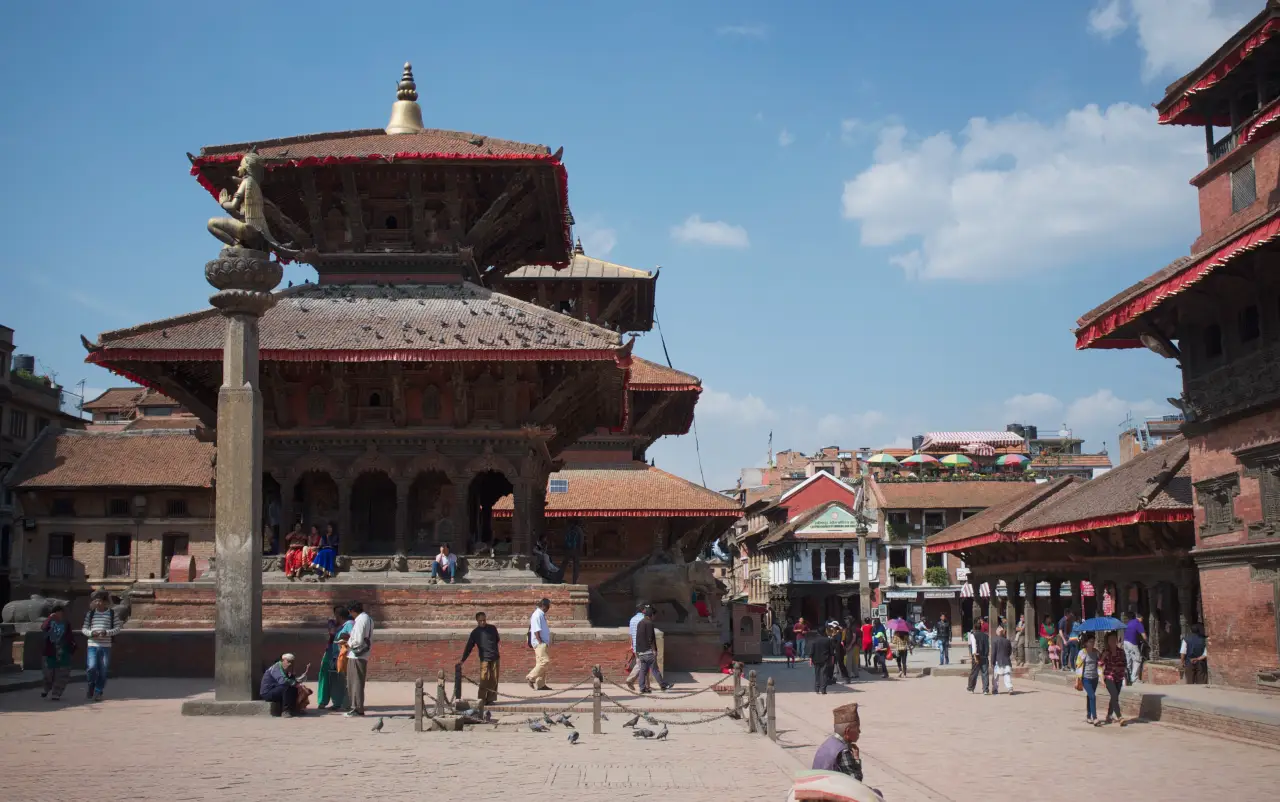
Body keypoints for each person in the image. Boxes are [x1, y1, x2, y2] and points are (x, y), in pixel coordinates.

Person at [82, 589, 121, 702]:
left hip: (105, 646)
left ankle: (98, 691)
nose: (97, 603)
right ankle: (91, 684)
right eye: (95, 601)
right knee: (91, 667)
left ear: (105, 602)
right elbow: (84, 629)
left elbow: (118, 629)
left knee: (103, 670)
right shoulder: (90, 614)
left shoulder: (112, 614)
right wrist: (91, 633)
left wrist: (107, 632)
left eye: (99, 601)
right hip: (92, 645)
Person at [811, 702, 864, 782]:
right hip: (829, 791)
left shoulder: (829, 742)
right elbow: (856, 781)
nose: (859, 731)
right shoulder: (843, 751)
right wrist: (856, 759)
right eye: (857, 728)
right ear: (847, 731)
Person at [460, 611, 501, 704]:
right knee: (484, 680)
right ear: (477, 621)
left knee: (494, 679)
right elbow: (469, 647)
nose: (483, 622)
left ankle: (490, 699)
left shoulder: (492, 628)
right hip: (484, 659)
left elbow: (497, 640)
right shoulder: (475, 632)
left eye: (484, 620)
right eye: (480, 621)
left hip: (495, 657)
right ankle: (481, 699)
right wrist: (463, 660)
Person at [317, 605, 350, 711]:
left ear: (339, 615)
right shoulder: (334, 623)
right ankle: (322, 701)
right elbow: (332, 632)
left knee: (338, 678)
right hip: (330, 652)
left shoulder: (348, 624)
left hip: (340, 655)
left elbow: (348, 636)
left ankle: (338, 703)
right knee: (324, 675)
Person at [40, 604, 75, 701]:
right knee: (48, 673)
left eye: (61, 612)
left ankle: (56, 693)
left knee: (62, 674)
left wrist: (71, 647)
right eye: (57, 612)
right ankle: (47, 688)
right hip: (50, 651)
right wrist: (49, 618)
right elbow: (43, 628)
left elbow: (70, 636)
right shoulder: (49, 622)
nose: (59, 614)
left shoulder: (66, 623)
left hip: (63, 651)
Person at [344, 601, 373, 717]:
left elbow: (358, 640)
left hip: (356, 655)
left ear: (352, 611)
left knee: (355, 683)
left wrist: (348, 643)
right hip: (362, 654)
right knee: (357, 682)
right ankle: (357, 707)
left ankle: (356, 708)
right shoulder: (368, 619)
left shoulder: (361, 620)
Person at [260, 653, 311, 717]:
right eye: (288, 661)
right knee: (286, 687)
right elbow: (283, 681)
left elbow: (291, 680)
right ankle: (285, 711)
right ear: (283, 660)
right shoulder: (276, 668)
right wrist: (296, 683)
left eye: (292, 662)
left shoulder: (286, 669)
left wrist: (297, 681)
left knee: (294, 688)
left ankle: (293, 709)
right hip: (268, 692)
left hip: (277, 689)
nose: (290, 664)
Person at [634, 605, 670, 693]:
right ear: (651, 615)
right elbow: (651, 638)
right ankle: (663, 685)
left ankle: (642, 687)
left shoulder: (640, 623)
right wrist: (654, 650)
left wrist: (638, 651)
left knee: (643, 670)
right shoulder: (649, 623)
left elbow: (638, 638)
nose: (655, 617)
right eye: (654, 615)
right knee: (654, 669)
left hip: (641, 651)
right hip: (648, 651)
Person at [1100, 631, 1127, 725]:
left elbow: (1124, 664)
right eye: (1110, 640)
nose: (1112, 641)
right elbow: (1100, 664)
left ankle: (1109, 715)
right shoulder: (1106, 652)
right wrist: (1103, 657)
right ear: (1107, 641)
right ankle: (1120, 717)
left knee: (1114, 697)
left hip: (1119, 677)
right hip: (1109, 677)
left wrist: (1118, 668)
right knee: (1114, 695)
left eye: (1114, 639)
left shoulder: (1121, 651)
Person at [526, 598, 552, 690]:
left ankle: (540, 684)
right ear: (544, 606)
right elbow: (536, 630)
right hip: (539, 643)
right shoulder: (537, 615)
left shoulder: (541, 614)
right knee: (545, 661)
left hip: (542, 642)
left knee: (540, 663)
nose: (548, 608)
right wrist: (540, 642)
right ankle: (531, 677)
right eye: (548, 606)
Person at [1076, 632, 1101, 725]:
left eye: (1093, 641)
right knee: (1093, 696)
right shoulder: (1082, 652)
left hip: (1094, 678)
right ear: (1086, 642)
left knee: (1090, 696)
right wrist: (1078, 679)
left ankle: (1088, 715)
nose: (1092, 643)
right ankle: (1095, 717)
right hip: (1086, 678)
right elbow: (1078, 666)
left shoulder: (1096, 652)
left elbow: (1100, 663)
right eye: (1090, 641)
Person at [1122, 609, 1147, 685]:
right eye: (1142, 619)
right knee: (1137, 659)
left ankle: (1127, 678)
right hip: (1132, 643)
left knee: (1128, 660)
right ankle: (1134, 678)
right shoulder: (1138, 623)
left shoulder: (1130, 622)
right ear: (1140, 617)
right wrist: (1147, 642)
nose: (1142, 620)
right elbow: (1144, 636)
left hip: (1125, 642)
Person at [810, 624, 835, 694]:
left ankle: (817, 688)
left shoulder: (814, 640)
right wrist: (832, 660)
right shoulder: (828, 640)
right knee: (824, 674)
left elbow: (812, 651)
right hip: (825, 659)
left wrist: (810, 659)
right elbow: (831, 652)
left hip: (816, 659)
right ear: (824, 631)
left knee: (817, 674)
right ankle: (823, 689)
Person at [966, 623, 990, 694]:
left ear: (974, 628)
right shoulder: (986, 636)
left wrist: (973, 655)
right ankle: (985, 689)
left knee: (974, 672)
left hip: (977, 655)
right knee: (985, 673)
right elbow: (987, 646)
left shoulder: (973, 635)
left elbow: (973, 646)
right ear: (981, 628)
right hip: (984, 656)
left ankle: (971, 688)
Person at [991, 625, 1013, 695]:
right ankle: (1010, 688)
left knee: (996, 676)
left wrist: (992, 661)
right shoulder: (1007, 641)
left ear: (997, 632)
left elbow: (993, 652)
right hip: (1006, 660)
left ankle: (995, 689)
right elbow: (1010, 651)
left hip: (998, 660)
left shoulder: (995, 640)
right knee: (1007, 674)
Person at [563, 519, 584, 585]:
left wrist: (565, 549)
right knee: (576, 566)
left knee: (564, 565)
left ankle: (558, 577)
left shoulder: (568, 529)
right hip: (576, 550)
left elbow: (564, 539)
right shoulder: (579, 530)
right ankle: (574, 581)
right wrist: (580, 550)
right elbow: (581, 541)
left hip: (568, 550)